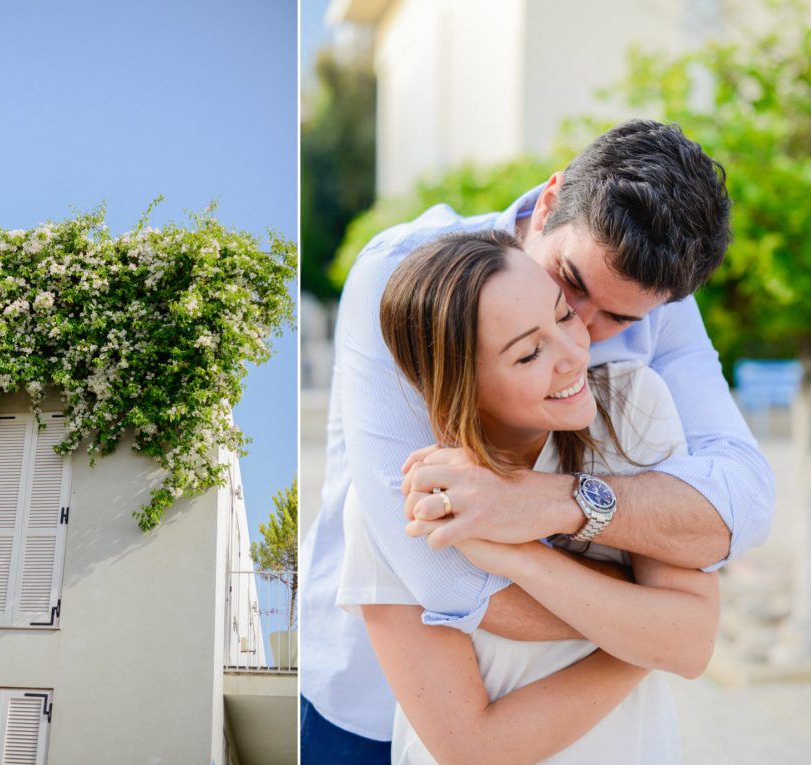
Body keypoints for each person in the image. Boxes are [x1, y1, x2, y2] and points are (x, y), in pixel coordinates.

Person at [299, 120, 774, 760]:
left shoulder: (646, 345)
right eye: (569, 288)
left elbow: (743, 499)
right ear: (548, 202)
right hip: (373, 698)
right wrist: (648, 624)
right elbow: (443, 579)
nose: (582, 333)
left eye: (621, 319)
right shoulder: (410, 282)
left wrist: (557, 502)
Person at [336, 229, 719, 763]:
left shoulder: (631, 407)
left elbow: (690, 643)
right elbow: (473, 748)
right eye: (528, 354)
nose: (573, 354)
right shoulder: (410, 504)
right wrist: (643, 631)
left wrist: (518, 553)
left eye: (564, 315)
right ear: (460, 383)